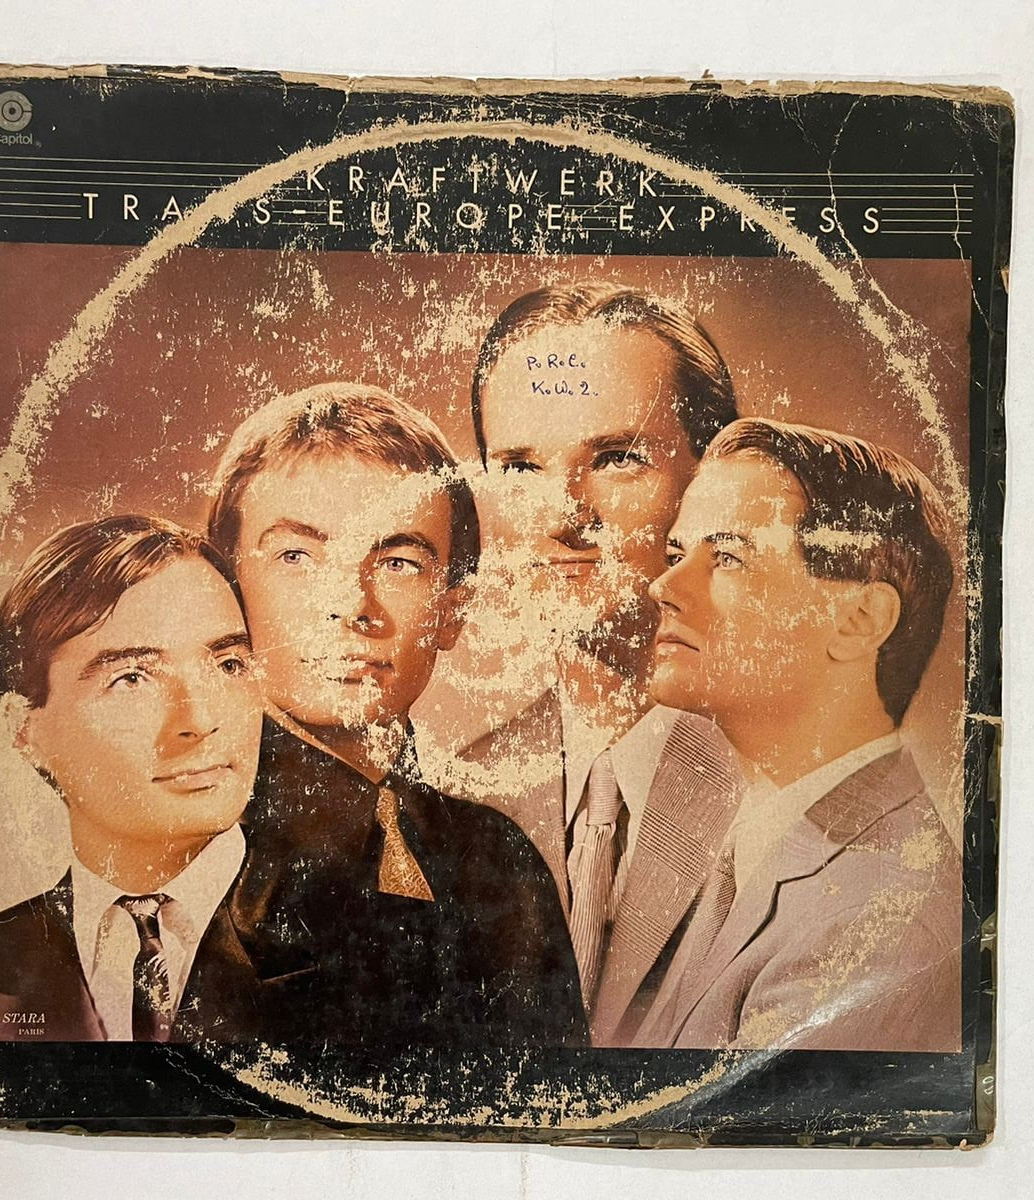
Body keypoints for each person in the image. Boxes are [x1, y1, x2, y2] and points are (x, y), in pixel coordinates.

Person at [207, 382, 585, 1047]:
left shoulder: (500, 863)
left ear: (453, 612)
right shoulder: (193, 852)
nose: (351, 606)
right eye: (297, 557)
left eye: (398, 562)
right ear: (227, 590)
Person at [629, 418, 961, 1052]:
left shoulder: (877, 926)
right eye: (677, 554)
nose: (663, 586)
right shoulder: (749, 830)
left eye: (728, 557)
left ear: (860, 619)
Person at [455, 282, 741, 1018]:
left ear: (712, 483)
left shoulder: (781, 782)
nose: (562, 516)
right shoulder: (456, 794)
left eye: (617, 457)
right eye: (520, 468)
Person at [0, 515, 319, 1043]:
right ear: (26, 730)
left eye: (228, 665)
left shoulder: (372, 939)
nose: (200, 719)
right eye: (132, 678)